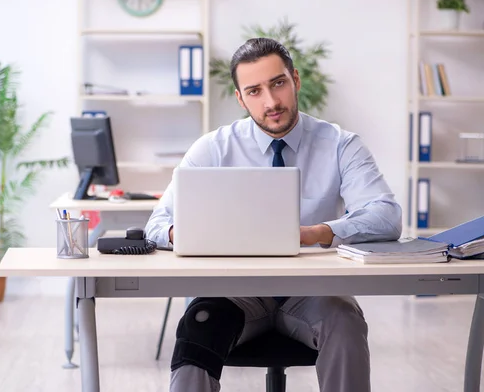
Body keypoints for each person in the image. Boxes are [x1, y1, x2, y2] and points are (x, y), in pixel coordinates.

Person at [144, 37, 402, 392]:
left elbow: (386, 216)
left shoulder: (341, 145)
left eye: (278, 83)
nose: (271, 102)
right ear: (240, 98)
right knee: (198, 323)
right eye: (254, 91)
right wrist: (187, 232)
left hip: (313, 292)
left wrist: (313, 233)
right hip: (235, 293)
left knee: (345, 320)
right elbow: (156, 225)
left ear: (295, 79)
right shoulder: (213, 148)